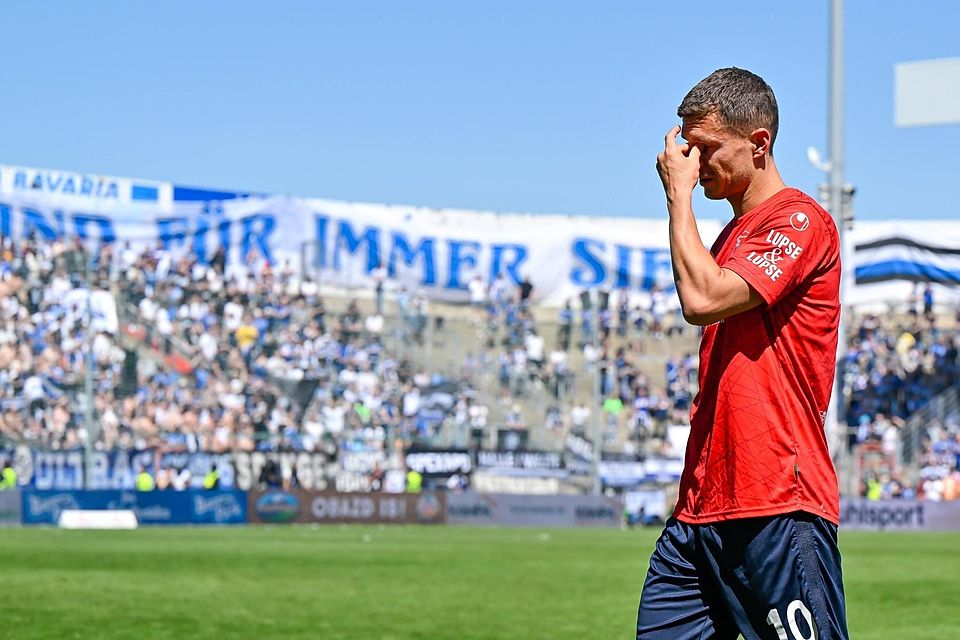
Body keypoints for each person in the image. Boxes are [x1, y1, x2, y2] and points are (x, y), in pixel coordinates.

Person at [636, 68, 848, 639]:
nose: (694, 164)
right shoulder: (730, 238)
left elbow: (702, 298)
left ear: (759, 143)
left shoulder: (800, 221)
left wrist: (678, 197)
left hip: (775, 500)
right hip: (699, 511)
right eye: (687, 149)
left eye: (706, 149)